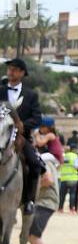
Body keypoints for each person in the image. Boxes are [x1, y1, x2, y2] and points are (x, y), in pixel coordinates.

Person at [0, 56, 43, 211]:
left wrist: (23, 125)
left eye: (14, 69)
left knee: (34, 163)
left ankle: (28, 201)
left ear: (22, 73)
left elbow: (37, 117)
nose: (10, 72)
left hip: (20, 138)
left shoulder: (31, 95)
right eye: (9, 69)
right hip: (1, 135)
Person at [27, 151, 60, 244]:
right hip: (44, 203)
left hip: (45, 203)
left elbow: (48, 180)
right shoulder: (48, 162)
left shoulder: (44, 162)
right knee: (33, 236)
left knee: (33, 236)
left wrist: (33, 186)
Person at [57, 145, 78, 211]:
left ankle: (60, 208)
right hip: (73, 178)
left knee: (62, 194)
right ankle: (72, 209)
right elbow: (76, 166)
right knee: (72, 194)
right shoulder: (74, 156)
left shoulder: (63, 156)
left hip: (64, 178)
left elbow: (59, 166)